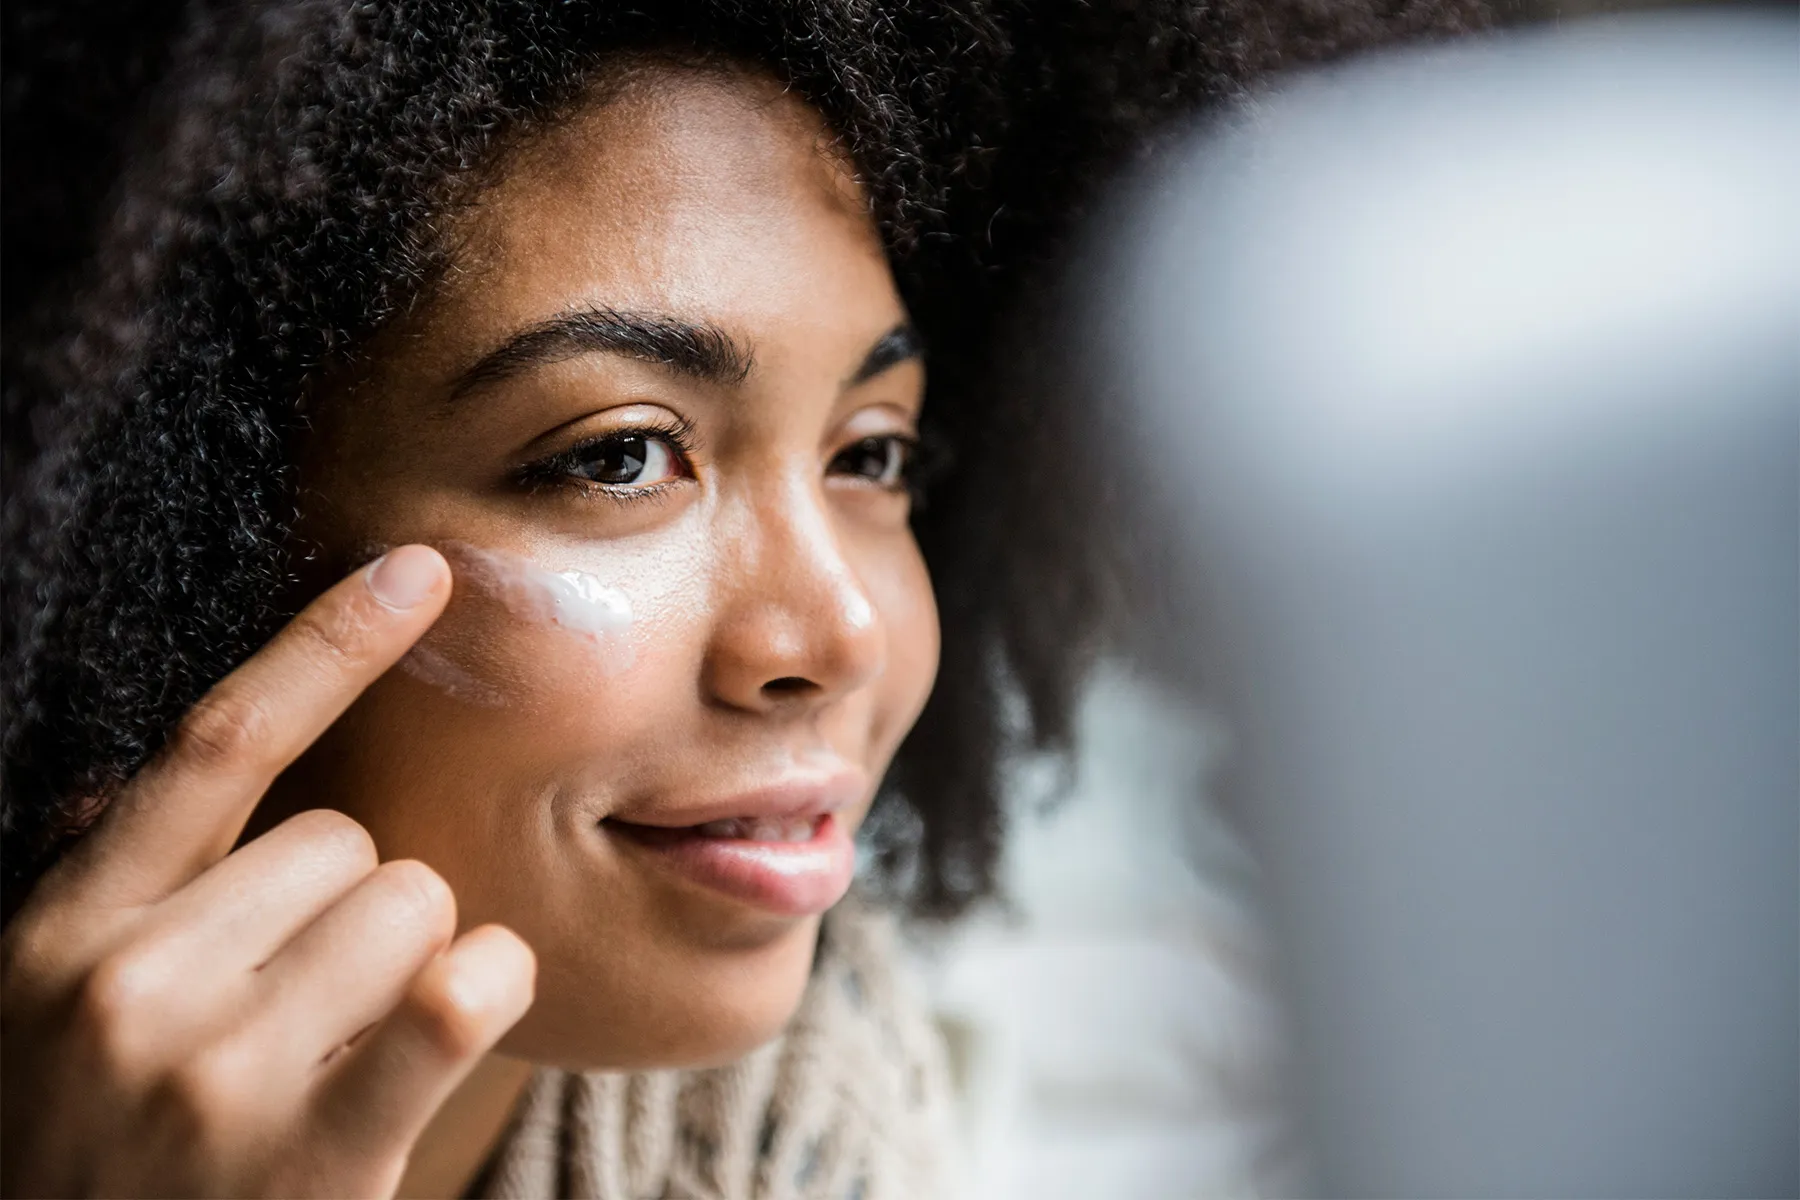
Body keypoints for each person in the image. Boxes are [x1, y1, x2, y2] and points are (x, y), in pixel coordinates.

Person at [0, 2, 1486, 1196]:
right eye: (624, 455)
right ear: (175, 543)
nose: (836, 630)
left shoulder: (821, 1113)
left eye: (872, 453)